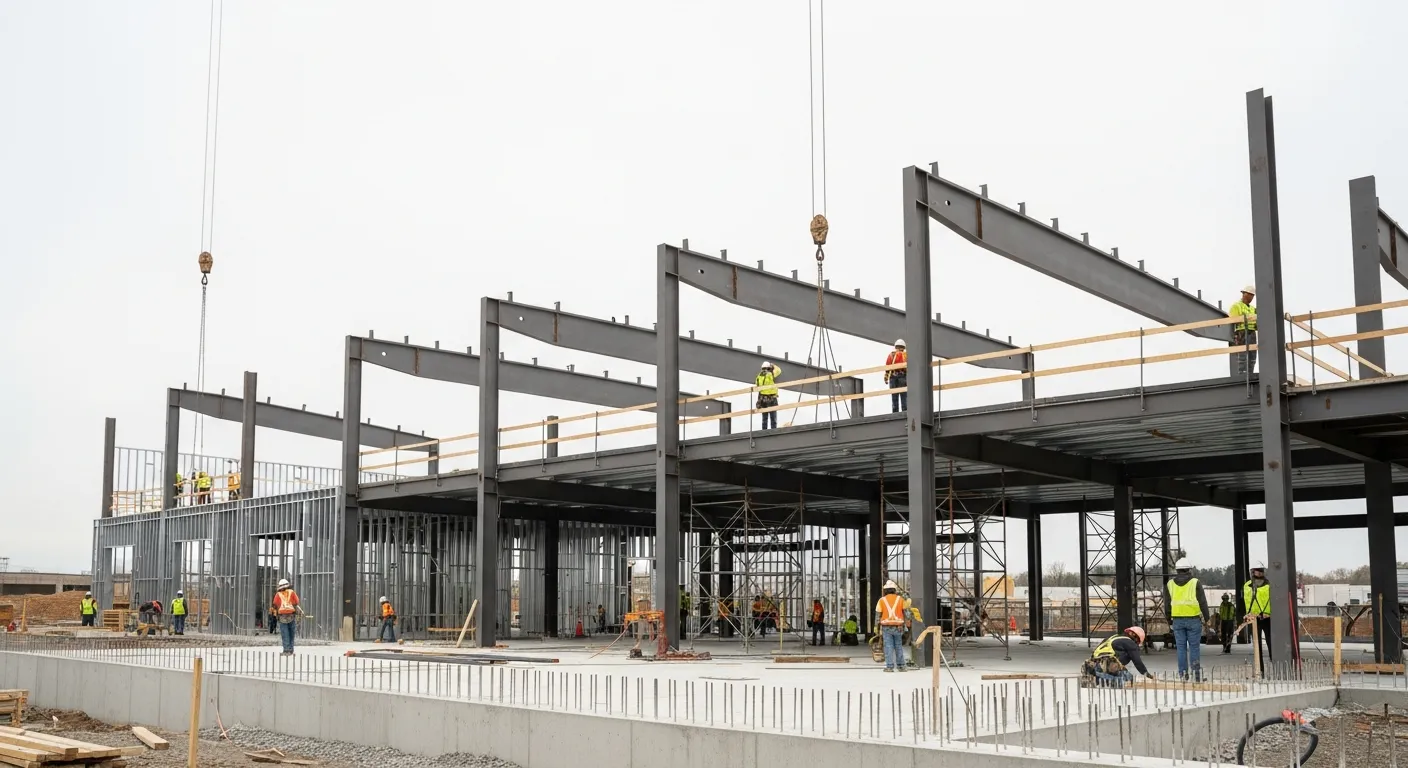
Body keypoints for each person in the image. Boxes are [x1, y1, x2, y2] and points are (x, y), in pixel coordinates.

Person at [1163, 558, 1209, 681]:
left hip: (1177, 621)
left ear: (1177, 570)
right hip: (1193, 620)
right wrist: (1207, 618)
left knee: (1181, 648)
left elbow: (1167, 605)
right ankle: (1196, 675)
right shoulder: (1195, 582)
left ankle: (1183, 675)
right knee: (1194, 648)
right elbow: (1202, 602)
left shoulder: (1170, 584)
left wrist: (1169, 620)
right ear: (1189, 570)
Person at [1082, 626, 1156, 688]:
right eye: (1137, 641)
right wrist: (1146, 674)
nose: (1136, 644)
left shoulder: (1112, 638)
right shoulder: (1130, 643)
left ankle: (1098, 678)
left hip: (1092, 664)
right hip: (1108, 664)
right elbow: (1137, 661)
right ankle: (1111, 680)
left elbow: (1095, 653)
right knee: (1128, 678)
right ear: (1134, 635)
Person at [875, 580, 909, 673]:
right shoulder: (900, 599)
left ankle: (889, 667)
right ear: (895, 590)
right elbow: (907, 614)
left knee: (888, 646)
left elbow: (878, 616)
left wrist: (876, 627)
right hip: (898, 627)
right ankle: (901, 666)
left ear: (885, 590)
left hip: (886, 627)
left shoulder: (881, 600)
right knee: (898, 645)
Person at [1244, 561, 1273, 667]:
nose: (1260, 573)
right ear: (1252, 571)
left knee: (1270, 642)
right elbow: (1247, 601)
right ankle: (1259, 666)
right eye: (1258, 571)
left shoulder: (1269, 584)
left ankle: (1272, 661)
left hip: (1267, 617)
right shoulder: (1247, 585)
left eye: (1261, 571)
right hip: (1254, 617)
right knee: (1257, 644)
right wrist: (1248, 614)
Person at [1230, 285, 1257, 374]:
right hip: (1241, 332)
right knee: (1243, 355)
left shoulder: (1253, 309)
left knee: (1252, 355)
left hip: (1252, 332)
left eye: (1252, 295)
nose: (1250, 297)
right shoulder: (1236, 306)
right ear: (1244, 294)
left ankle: (1250, 373)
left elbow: (1257, 322)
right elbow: (1233, 320)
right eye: (1249, 294)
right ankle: (1242, 375)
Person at [271, 578, 301, 655]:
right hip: (291, 615)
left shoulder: (278, 594)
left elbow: (275, 604)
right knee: (291, 633)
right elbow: (296, 602)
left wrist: (274, 613)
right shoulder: (292, 592)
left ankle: (286, 650)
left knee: (285, 634)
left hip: (282, 616)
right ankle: (291, 650)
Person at [755, 362, 782, 429]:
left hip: (762, 399)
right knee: (773, 417)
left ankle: (764, 431)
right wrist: (773, 365)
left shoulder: (759, 376)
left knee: (764, 418)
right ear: (769, 368)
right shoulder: (770, 374)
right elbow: (778, 371)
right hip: (771, 398)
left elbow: (756, 383)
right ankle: (773, 430)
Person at [884, 339, 908, 413]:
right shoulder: (905, 355)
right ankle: (905, 412)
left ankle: (895, 414)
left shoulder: (891, 355)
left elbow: (887, 366)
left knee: (894, 397)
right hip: (902, 377)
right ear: (903, 347)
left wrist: (886, 377)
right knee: (904, 397)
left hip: (893, 378)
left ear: (896, 346)